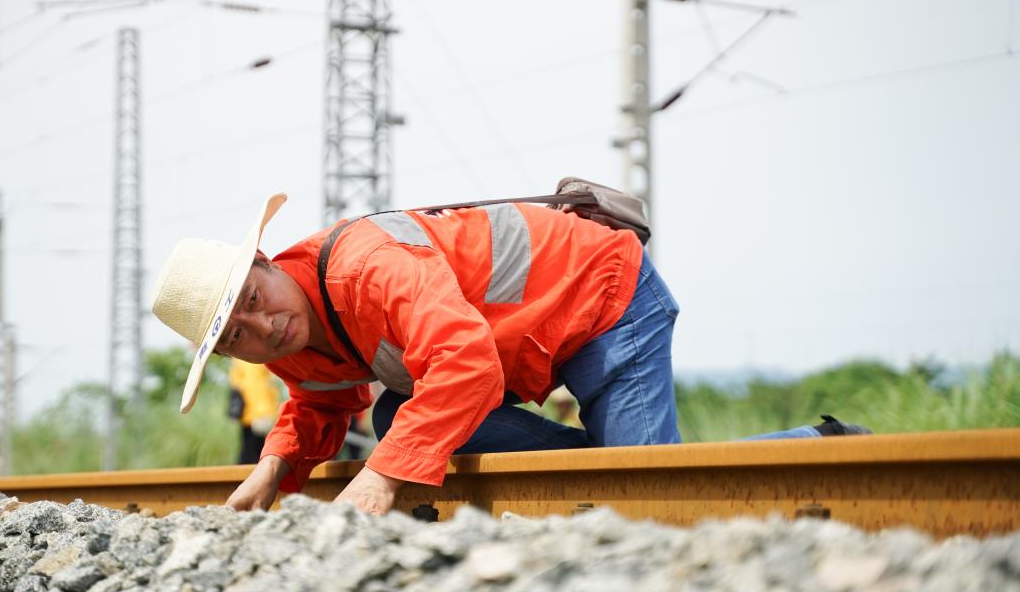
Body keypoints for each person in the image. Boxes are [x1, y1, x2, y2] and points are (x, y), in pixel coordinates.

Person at [150, 192, 868, 516]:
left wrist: (384, 474)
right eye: (234, 334)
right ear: (224, 354)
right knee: (404, 407)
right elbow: (320, 398)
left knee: (651, 494)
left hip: (601, 296)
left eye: (251, 297)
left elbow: (462, 362)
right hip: (529, 339)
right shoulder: (291, 340)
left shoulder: (364, 267)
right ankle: (602, 464)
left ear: (269, 262)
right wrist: (275, 468)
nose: (262, 327)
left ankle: (825, 447)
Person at [227, 358, 281, 465]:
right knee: (254, 451)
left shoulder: (240, 357)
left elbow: (238, 381)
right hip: (256, 412)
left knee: (252, 451)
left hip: (253, 412)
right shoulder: (251, 357)